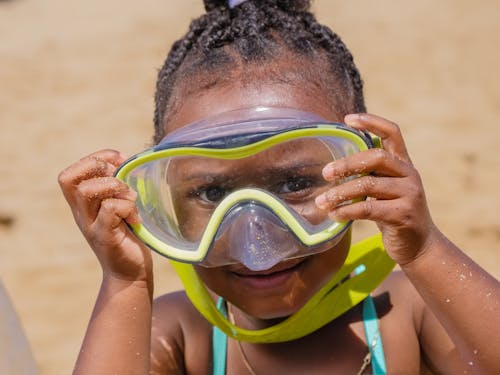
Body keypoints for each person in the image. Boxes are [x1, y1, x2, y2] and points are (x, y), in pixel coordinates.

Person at [58, 0, 499, 374]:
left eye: (293, 183)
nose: (256, 241)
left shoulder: (404, 313)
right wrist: (125, 282)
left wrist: (423, 249)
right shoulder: (179, 334)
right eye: (212, 193)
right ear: (163, 202)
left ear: (365, 173)